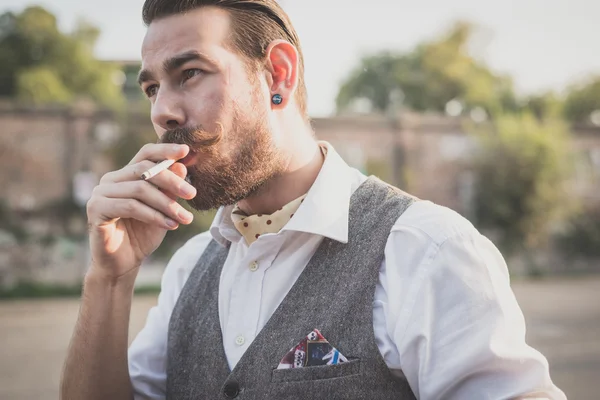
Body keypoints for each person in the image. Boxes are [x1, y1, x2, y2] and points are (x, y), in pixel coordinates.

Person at [60, 1, 566, 399]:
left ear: (278, 74)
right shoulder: (189, 268)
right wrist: (109, 279)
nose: (163, 111)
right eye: (151, 89)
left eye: (189, 73)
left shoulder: (425, 249)